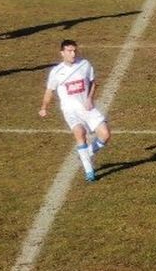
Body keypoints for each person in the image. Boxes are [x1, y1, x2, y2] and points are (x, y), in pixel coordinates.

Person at [39, 39, 112, 183]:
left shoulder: (85, 64)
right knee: (80, 132)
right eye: (69, 51)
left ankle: (86, 153)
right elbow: (49, 91)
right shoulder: (56, 72)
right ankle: (89, 171)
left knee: (105, 134)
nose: (73, 54)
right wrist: (44, 107)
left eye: (74, 50)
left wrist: (90, 98)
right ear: (62, 53)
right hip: (70, 110)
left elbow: (93, 83)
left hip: (86, 107)